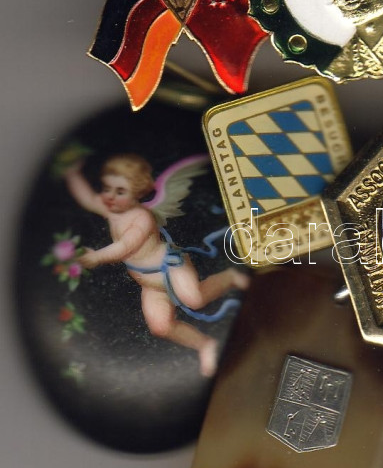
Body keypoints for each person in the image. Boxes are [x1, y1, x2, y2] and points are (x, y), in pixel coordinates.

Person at [64, 153, 249, 377]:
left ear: (137, 193)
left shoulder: (142, 217)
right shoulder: (111, 211)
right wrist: (72, 174)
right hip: (149, 284)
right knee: (160, 327)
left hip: (170, 267)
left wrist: (97, 257)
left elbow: (126, 246)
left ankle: (229, 277)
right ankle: (204, 345)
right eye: (107, 188)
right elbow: (87, 199)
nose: (110, 196)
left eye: (120, 191)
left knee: (195, 299)